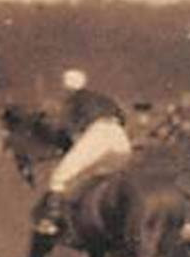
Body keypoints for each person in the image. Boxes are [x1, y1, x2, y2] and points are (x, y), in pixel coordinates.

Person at [39, 67, 131, 235]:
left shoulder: (73, 101)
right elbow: (123, 118)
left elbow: (67, 131)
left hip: (97, 135)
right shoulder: (103, 98)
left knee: (59, 176)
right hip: (120, 137)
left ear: (67, 87)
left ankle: (50, 221)